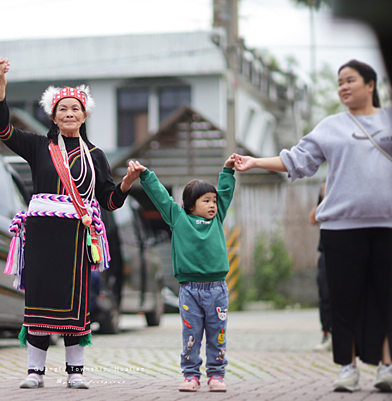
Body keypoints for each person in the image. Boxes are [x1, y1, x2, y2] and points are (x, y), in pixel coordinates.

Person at [234, 60, 392, 393]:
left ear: (371, 85)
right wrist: (255, 162)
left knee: (385, 298)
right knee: (344, 299)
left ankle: (386, 367)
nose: (344, 87)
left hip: (386, 225)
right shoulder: (331, 126)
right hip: (340, 228)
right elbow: (297, 160)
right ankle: (347, 369)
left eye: (351, 80)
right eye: (339, 83)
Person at [0, 60, 140, 390]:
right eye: (63, 109)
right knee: (39, 301)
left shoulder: (96, 155)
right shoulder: (37, 146)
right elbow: (3, 131)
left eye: (75, 108)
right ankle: (35, 372)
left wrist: (127, 183)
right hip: (42, 234)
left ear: (85, 116)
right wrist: (1, 87)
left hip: (76, 238)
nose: (69, 113)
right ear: (53, 115)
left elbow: (109, 201)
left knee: (75, 304)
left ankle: (75, 372)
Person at [129, 156, 236, 393]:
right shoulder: (178, 218)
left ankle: (216, 375)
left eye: (214, 201)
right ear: (190, 205)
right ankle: (191, 376)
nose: (212, 205)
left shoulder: (217, 219)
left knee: (217, 334)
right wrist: (146, 175)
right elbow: (160, 197)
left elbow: (226, 191)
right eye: (206, 200)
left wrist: (227, 170)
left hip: (217, 289)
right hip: (190, 290)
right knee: (191, 334)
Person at [310, 183, 332, 353]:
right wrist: (324, 197)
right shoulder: (325, 191)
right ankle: (327, 334)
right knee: (325, 295)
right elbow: (313, 219)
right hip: (326, 252)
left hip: (346, 251)